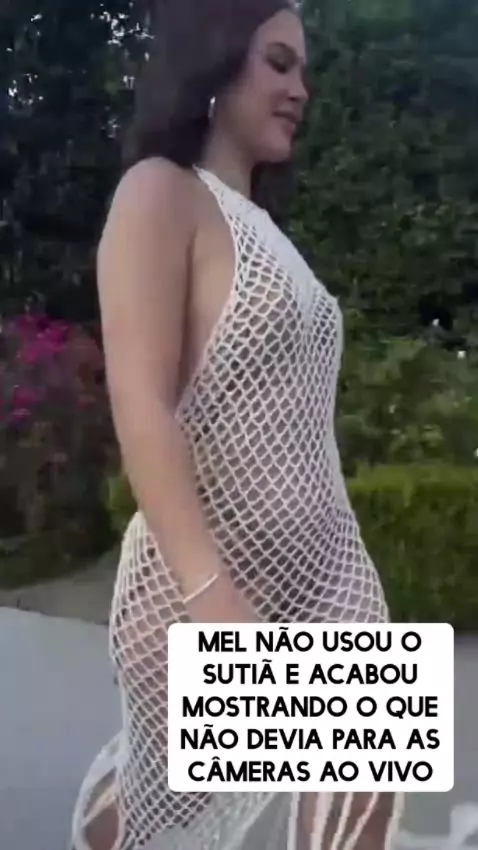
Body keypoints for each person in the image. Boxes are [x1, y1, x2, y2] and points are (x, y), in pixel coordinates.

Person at [70, 0, 404, 848]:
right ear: (216, 62)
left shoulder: (270, 235)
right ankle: (111, 811)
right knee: (163, 813)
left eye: (304, 71)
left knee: (369, 779)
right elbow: (140, 402)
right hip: (203, 590)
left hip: (330, 577)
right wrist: (212, 596)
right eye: (279, 63)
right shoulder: (161, 192)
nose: (302, 89)